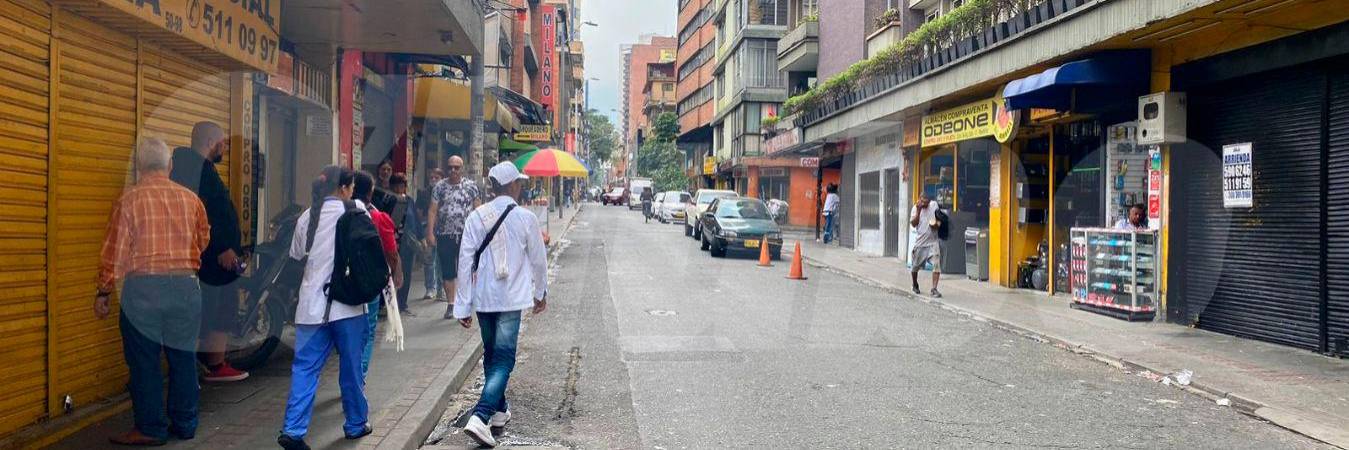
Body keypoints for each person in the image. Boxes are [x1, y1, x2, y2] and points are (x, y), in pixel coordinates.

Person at [94, 138, 211, 446]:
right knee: (183, 357)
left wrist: (104, 291)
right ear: (169, 165)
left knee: (144, 360)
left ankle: (151, 428)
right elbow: (203, 242)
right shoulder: (191, 199)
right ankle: (185, 424)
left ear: (139, 167)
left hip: (143, 289)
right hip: (186, 285)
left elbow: (114, 253)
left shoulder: (128, 200)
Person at [453, 162, 548, 448]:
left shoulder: (476, 217)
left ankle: (498, 410)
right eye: (520, 182)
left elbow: (464, 261)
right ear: (514, 185)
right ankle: (481, 415)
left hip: (484, 299)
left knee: (492, 354)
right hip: (510, 299)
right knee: (504, 358)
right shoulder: (526, 217)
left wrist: (462, 305)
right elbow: (538, 260)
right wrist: (541, 292)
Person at [279, 166, 371, 450]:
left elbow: (296, 255)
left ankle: (293, 431)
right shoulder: (356, 210)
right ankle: (356, 424)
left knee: (305, 368)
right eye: (351, 187)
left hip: (310, 308)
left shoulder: (307, 216)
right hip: (348, 307)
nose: (353, 192)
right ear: (343, 188)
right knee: (350, 367)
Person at [167, 121, 249, 383]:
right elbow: (198, 214)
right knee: (211, 311)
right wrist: (221, 247)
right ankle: (210, 365)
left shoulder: (201, 167)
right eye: (222, 142)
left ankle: (213, 363)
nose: (224, 146)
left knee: (220, 309)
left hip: (217, 257)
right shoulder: (192, 169)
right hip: (212, 258)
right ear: (210, 142)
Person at [352, 171, 403, 376]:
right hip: (370, 281)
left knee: (350, 333)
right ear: (370, 193)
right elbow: (391, 252)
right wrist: (396, 272)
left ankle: (351, 378)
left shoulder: (339, 213)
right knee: (368, 330)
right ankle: (359, 378)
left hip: (342, 281)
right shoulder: (378, 217)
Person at [427, 155, 482, 320]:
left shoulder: (471, 187)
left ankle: (465, 302)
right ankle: (451, 304)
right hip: (444, 234)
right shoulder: (439, 187)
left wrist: (481, 233)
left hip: (466, 235)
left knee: (466, 270)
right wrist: (430, 232)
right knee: (448, 271)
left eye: (456, 167)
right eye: (450, 167)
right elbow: (432, 210)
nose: (453, 170)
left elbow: (479, 210)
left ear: (462, 169)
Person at [389, 173, 420, 315]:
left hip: (408, 243)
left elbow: (416, 220)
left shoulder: (409, 201)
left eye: (402, 185)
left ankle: (403, 303)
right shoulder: (389, 200)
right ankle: (391, 303)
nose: (399, 188)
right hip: (393, 241)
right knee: (392, 272)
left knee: (406, 272)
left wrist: (421, 237)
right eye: (396, 185)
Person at [417, 169, 445, 300]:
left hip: (443, 230)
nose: (433, 180)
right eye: (432, 177)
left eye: (437, 177)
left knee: (442, 260)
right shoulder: (423, 193)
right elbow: (419, 212)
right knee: (429, 260)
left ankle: (441, 289)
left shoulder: (446, 192)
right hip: (427, 228)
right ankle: (430, 288)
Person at [910, 192, 943, 298]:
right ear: (919, 199)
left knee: (936, 265)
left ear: (930, 201)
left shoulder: (934, 205)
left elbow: (939, 221)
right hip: (921, 243)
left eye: (926, 202)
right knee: (915, 267)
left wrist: (936, 225)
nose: (924, 204)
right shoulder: (915, 208)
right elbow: (913, 224)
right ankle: (915, 284)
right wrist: (919, 211)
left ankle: (934, 289)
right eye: (922, 201)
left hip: (933, 242)